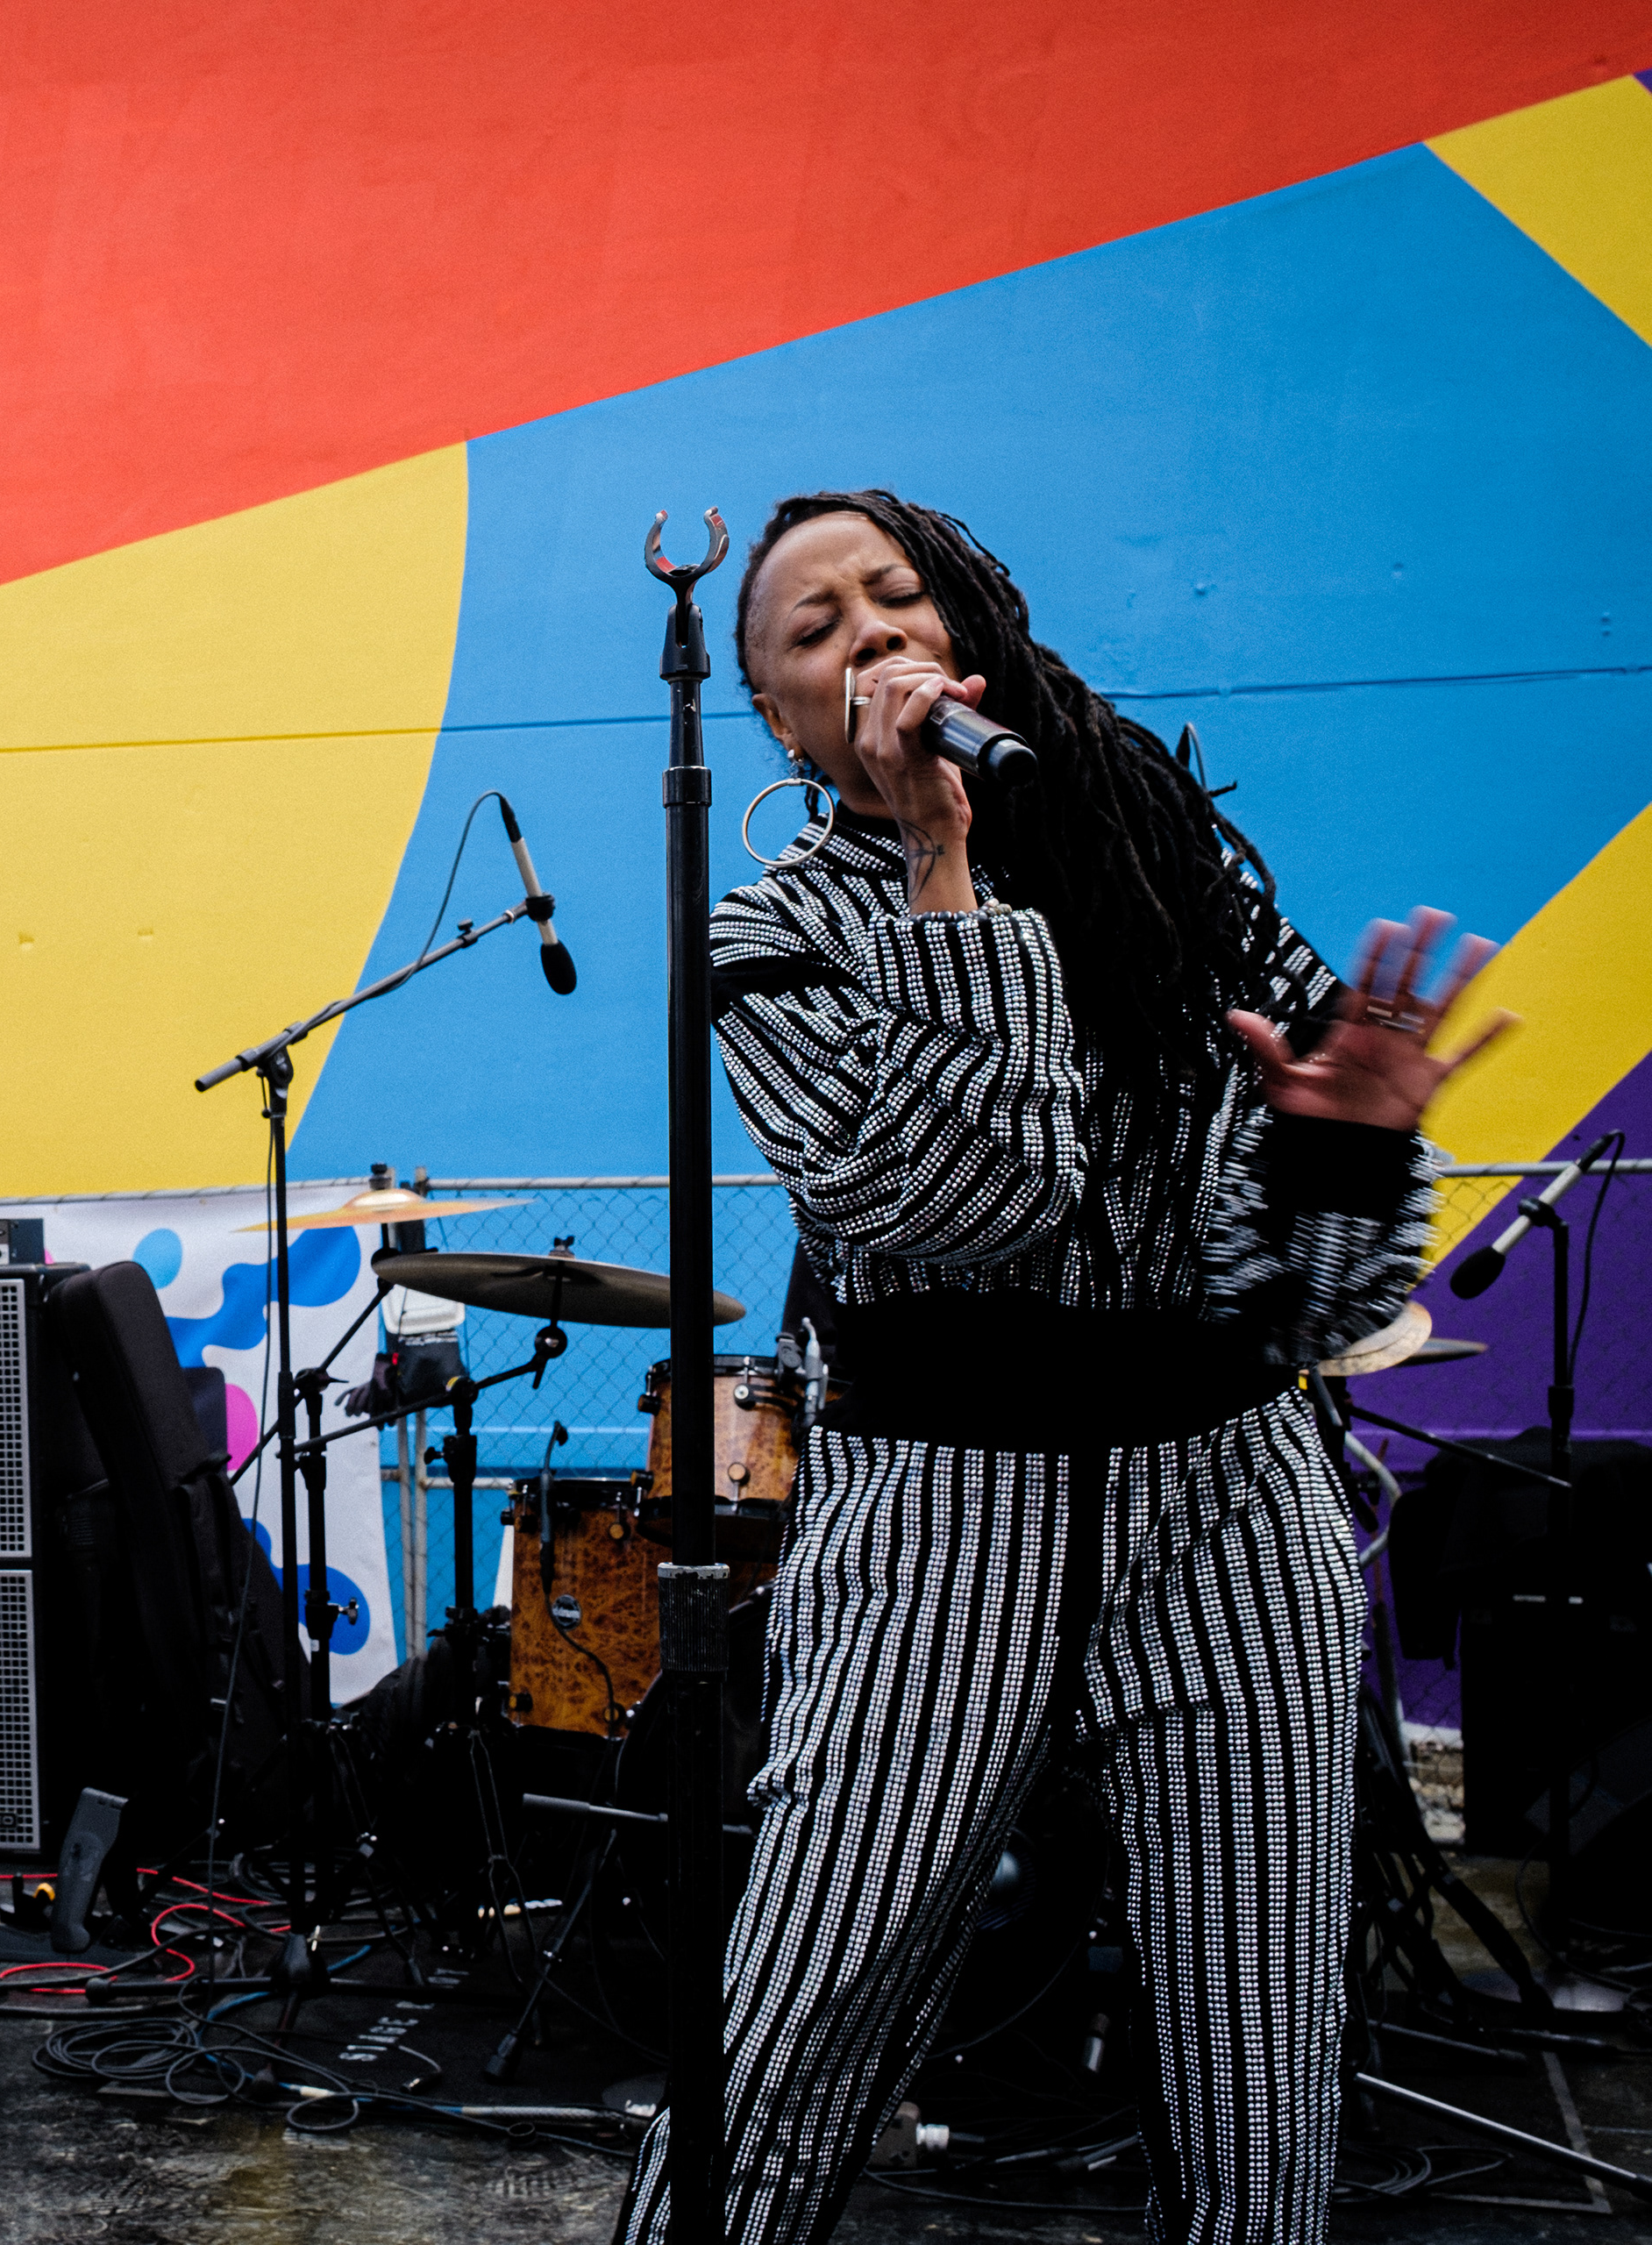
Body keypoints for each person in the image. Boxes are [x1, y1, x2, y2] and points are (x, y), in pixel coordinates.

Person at [615, 493, 1512, 2245]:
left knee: (1259, 2065)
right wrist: (949, 871)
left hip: (1234, 1503)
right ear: (786, 722)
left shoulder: (1161, 864)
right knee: (795, 2032)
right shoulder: (769, 937)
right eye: (814, 627)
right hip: (944, 1519)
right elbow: (969, 1204)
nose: (868, 630)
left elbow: (1317, 1297)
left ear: (974, 627)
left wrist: (1345, 1151)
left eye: (896, 591)